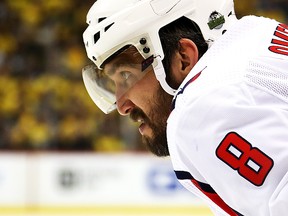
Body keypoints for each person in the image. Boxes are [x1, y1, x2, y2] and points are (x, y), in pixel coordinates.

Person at [81, 0, 288, 215]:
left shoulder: (202, 109)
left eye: (125, 75)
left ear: (183, 58)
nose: (122, 105)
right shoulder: (258, 32)